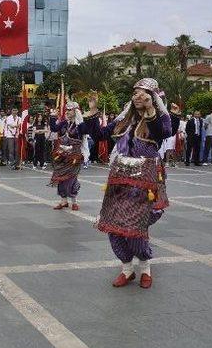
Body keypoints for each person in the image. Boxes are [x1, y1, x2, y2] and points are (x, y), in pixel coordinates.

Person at [86, 79, 180, 289]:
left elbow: (164, 132)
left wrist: (150, 108)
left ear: (153, 97)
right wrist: (92, 111)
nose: (138, 96)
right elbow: (100, 135)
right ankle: (127, 269)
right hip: (118, 179)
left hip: (144, 180)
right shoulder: (124, 120)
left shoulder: (159, 119)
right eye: (135, 93)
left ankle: (145, 267)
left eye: (143, 93)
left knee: (135, 225)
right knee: (113, 224)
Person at [48, 101, 90, 211]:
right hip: (61, 155)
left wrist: (80, 120)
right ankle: (63, 201)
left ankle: (74, 201)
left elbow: (84, 131)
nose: (67, 112)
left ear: (76, 111)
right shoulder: (64, 123)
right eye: (66, 110)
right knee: (61, 178)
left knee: (72, 178)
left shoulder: (80, 124)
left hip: (74, 156)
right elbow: (54, 128)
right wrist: (52, 116)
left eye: (69, 110)